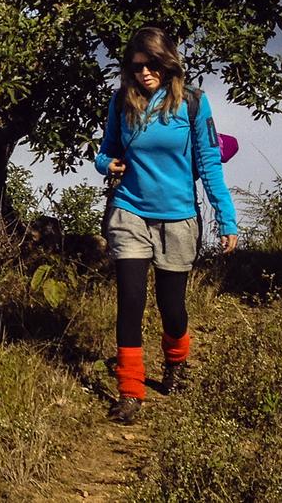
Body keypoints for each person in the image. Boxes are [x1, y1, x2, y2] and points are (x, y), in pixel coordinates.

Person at [94, 27, 237, 423]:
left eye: (153, 64)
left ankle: (176, 361)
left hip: (177, 217)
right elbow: (105, 151)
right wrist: (107, 164)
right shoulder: (122, 101)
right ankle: (130, 391)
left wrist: (226, 218)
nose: (145, 73)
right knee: (131, 299)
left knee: (172, 307)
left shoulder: (193, 104)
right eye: (137, 66)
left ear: (168, 62)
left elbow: (209, 164)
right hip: (129, 212)